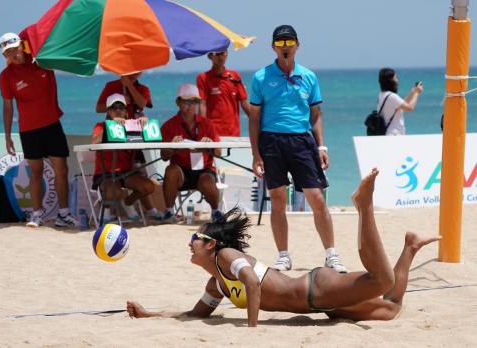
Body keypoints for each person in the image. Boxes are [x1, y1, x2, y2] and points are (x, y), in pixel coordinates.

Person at [126, 168, 441, 327]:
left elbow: (251, 281)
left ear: (210, 244)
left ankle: (364, 205)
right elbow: (195, 314)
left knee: (381, 282)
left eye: (194, 238)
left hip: (316, 288)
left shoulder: (227, 255)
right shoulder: (216, 281)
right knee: (391, 310)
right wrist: (150, 314)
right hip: (319, 305)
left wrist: (251, 330)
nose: (189, 243)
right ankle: (410, 247)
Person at [248, 25, 345, 272]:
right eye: (279, 43)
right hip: (271, 142)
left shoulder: (309, 77)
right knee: (278, 199)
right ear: (273, 48)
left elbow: (316, 113)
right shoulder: (261, 77)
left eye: (289, 42)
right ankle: (283, 255)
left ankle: (331, 254)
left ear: (297, 45)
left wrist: (321, 145)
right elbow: (254, 118)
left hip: (302, 141)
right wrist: (256, 154)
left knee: (316, 197)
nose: (285, 47)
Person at [0, 32, 78, 228]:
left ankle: (63, 214)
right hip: (28, 130)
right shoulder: (6, 77)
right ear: (4, 55)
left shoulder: (42, 63)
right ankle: (36, 214)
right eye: (8, 52)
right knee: (35, 173)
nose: (13, 53)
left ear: (21, 46)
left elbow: (52, 42)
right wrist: (8, 136)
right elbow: (8, 107)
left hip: (52, 125)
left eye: (15, 48)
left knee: (62, 169)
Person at [96, 72, 161, 220]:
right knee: (115, 183)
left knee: (143, 176)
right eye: (114, 107)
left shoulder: (142, 88)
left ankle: (139, 206)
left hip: (132, 130)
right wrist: (113, 121)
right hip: (113, 132)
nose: (118, 110)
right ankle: (111, 210)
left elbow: (142, 104)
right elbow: (99, 108)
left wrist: (129, 86)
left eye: (122, 107)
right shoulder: (111, 86)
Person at [160, 84, 222, 224]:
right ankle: (169, 212)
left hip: (203, 171)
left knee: (207, 178)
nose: (191, 105)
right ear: (178, 102)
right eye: (186, 101)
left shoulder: (207, 124)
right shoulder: (168, 126)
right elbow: (164, 156)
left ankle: (215, 211)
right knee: (171, 170)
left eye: (195, 101)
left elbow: (218, 153)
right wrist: (172, 146)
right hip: (182, 173)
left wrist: (209, 144)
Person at [196, 50, 250, 136]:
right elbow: (202, 104)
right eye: (217, 54)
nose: (221, 57)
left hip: (233, 132)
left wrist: (257, 121)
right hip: (213, 132)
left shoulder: (234, 76)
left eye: (223, 53)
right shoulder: (203, 78)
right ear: (210, 56)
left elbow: (244, 102)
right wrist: (203, 130)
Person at [377, 68, 424, 136]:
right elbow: (410, 108)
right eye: (395, 78)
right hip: (394, 134)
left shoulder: (382, 94)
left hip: (388, 133)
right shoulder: (392, 96)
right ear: (390, 80)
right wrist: (417, 93)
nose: (397, 81)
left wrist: (413, 92)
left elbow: (401, 105)